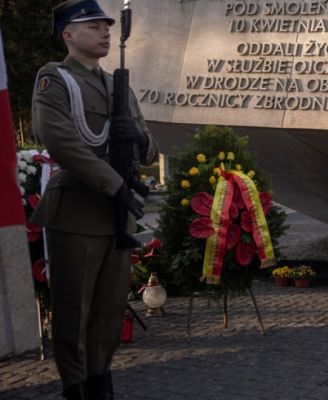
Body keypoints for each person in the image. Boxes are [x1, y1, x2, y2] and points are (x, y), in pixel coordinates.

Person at [30, 1, 159, 398]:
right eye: (92, 25)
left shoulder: (116, 83)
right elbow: (62, 141)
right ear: (68, 34)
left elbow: (149, 148)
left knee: (107, 313)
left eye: (106, 25)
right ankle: (76, 387)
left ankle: (101, 382)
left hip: (115, 216)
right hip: (78, 211)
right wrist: (115, 185)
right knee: (75, 312)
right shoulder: (55, 79)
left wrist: (138, 139)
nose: (104, 32)